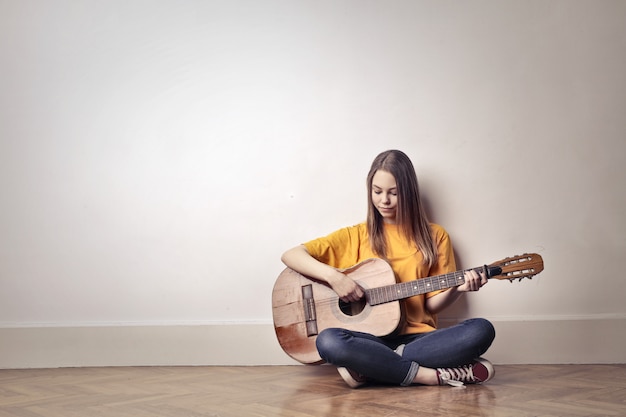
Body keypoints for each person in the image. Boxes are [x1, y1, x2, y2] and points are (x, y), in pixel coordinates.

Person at [281, 149, 496, 388]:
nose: (384, 200)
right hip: (370, 340)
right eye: (377, 192)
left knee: (480, 330)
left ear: (409, 193)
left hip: (419, 338)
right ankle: (427, 375)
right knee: (329, 341)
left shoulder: (435, 237)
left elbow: (430, 305)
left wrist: (458, 288)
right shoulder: (356, 236)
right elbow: (291, 255)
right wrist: (334, 278)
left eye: (394, 193)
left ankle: (372, 368)